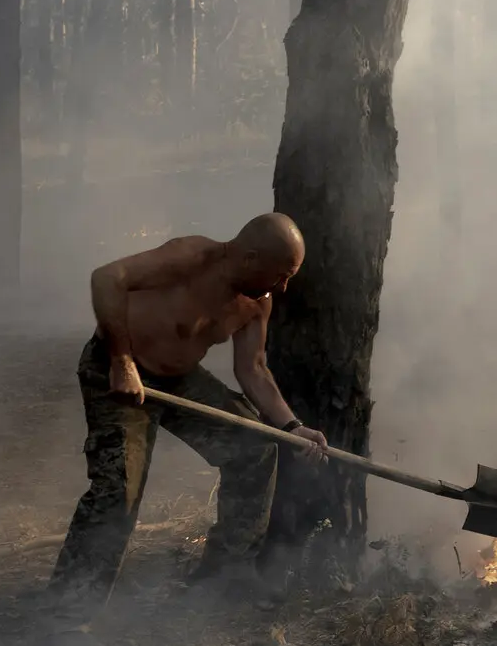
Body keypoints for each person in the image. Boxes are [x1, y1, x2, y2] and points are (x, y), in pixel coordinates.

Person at [49, 213, 330, 609]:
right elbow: (106, 277)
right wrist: (122, 361)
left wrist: (292, 426)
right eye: (280, 275)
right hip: (117, 370)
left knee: (256, 445)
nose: (282, 288)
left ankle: (224, 578)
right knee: (118, 491)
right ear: (249, 258)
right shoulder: (189, 256)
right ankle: (68, 613)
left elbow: (253, 368)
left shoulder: (258, 302)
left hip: (178, 379)